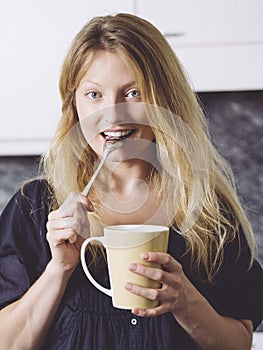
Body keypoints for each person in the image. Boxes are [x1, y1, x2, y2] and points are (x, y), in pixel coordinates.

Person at [0, 13, 262, 350]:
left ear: (163, 99)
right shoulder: (34, 208)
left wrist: (186, 302)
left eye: (134, 92)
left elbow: (238, 342)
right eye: (94, 95)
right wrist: (59, 269)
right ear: (74, 106)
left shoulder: (207, 209)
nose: (113, 114)